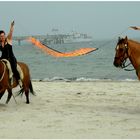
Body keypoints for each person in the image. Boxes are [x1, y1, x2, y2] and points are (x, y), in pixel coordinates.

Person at [0, 21, 22, 87]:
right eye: (1, 36)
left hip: (11, 58)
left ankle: (19, 80)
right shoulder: (0, 43)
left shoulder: (8, 40)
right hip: (3, 58)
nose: (2, 37)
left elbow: (11, 33)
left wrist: (12, 26)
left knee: (14, 68)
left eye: (3, 35)